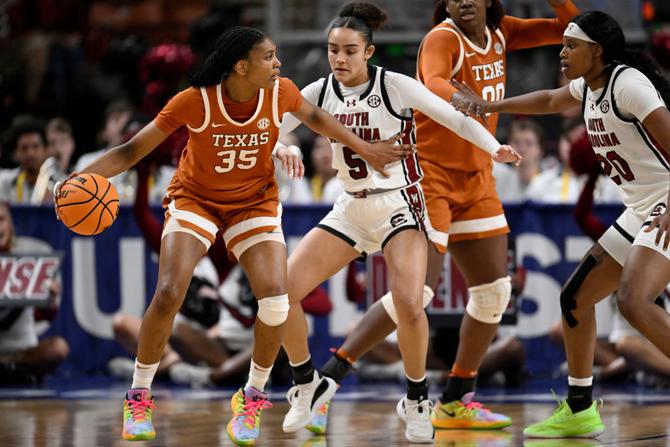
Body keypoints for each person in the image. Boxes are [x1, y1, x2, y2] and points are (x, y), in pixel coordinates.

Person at [54, 25, 413, 444]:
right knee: (170, 290)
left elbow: (318, 119)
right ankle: (138, 395)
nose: (278, 64)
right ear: (241, 66)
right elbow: (133, 150)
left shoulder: (280, 92)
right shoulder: (195, 101)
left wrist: (366, 148)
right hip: (196, 200)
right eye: (269, 57)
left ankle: (253, 396)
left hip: (253, 203)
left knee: (277, 301)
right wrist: (77, 177)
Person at [312, 0, 579, 432]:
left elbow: (571, 26)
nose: (464, 1)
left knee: (494, 293)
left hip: (477, 176)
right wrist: (462, 99)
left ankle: (456, 398)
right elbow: (433, 80)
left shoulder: (502, 30)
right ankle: (330, 377)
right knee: (414, 295)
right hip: (429, 177)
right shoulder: (443, 36)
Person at [276, 3, 520, 443]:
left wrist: (494, 145)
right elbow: (270, 123)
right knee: (280, 294)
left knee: (414, 301)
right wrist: (284, 145)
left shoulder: (395, 85)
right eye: (333, 50)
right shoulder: (317, 90)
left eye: (350, 50)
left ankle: (419, 398)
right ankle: (307, 382)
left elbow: (453, 117)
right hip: (349, 208)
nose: (340, 59)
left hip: (399, 205)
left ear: (368, 52)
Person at [453, 10, 670, 438]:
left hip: (667, 202)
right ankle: (579, 408)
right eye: (563, 44)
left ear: (598, 50)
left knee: (633, 300)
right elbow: (551, 100)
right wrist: (489, 105)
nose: (563, 52)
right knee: (575, 299)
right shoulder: (590, 89)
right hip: (641, 208)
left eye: (572, 45)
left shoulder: (627, 83)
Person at [0, 201, 69, 384]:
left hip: (23, 351)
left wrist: (49, 298)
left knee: (58, 348)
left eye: (1, 220)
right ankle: (13, 371)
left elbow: (43, 317)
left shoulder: (27, 259)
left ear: (10, 225)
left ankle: (9, 366)